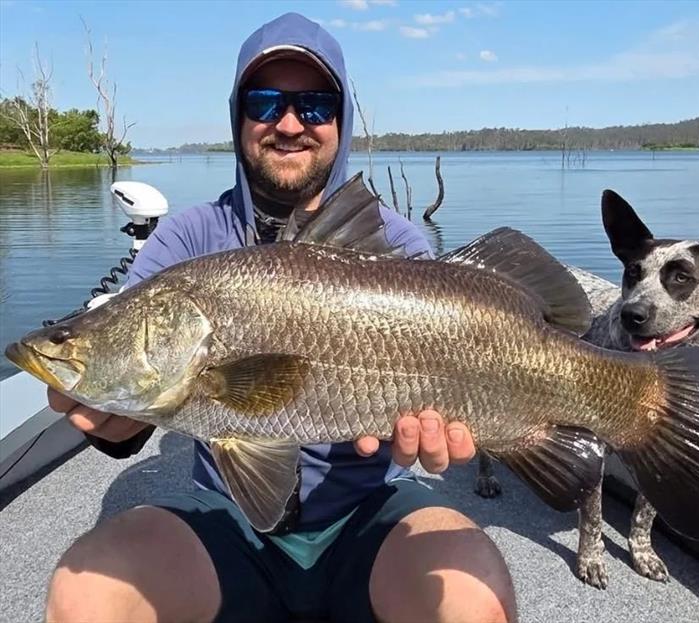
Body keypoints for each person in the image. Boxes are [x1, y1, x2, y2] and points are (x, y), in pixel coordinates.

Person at [45, 12, 516, 623]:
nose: (289, 123)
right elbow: (137, 411)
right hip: (225, 518)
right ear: (238, 115)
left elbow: (424, 419)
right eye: (265, 102)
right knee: (84, 593)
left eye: (315, 105)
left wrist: (441, 433)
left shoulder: (397, 248)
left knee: (475, 594)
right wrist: (110, 421)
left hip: (367, 510)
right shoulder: (185, 242)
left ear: (340, 124)